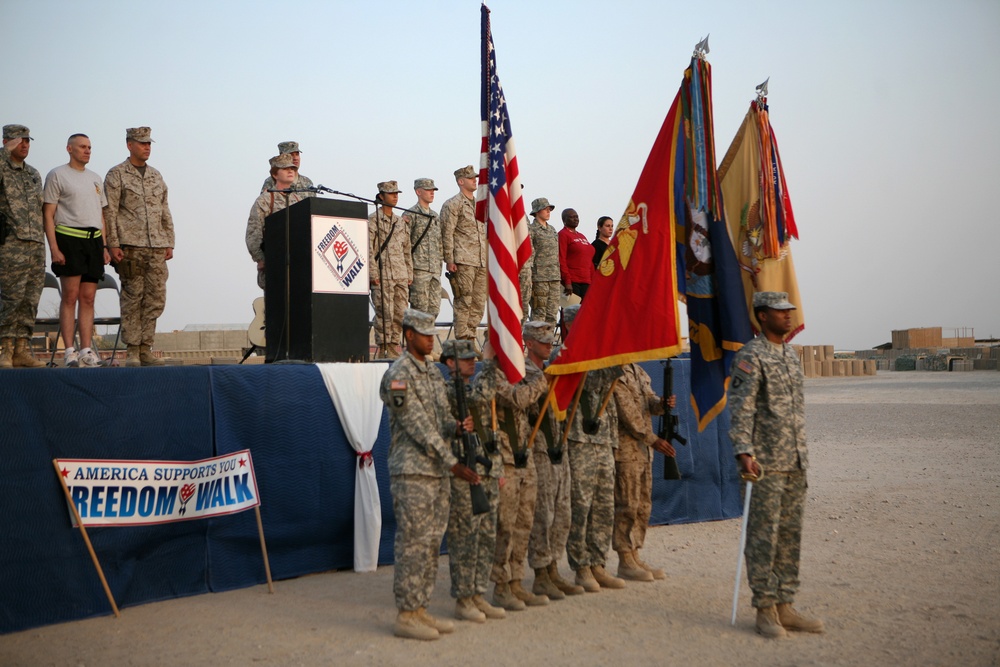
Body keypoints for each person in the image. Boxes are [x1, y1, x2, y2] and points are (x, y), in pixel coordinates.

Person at [379, 308, 481, 641]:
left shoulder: (432, 374)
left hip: (436, 472)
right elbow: (416, 424)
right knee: (413, 543)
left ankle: (420, 608)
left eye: (432, 334)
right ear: (409, 335)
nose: (430, 340)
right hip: (413, 472)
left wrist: (457, 426)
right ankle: (406, 614)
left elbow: (439, 418)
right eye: (424, 334)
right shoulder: (397, 375)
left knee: (431, 544)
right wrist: (452, 462)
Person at [728, 291, 824, 639]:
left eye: (789, 310)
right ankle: (765, 609)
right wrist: (744, 452)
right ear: (762, 316)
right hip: (764, 464)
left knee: (788, 536)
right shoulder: (751, 356)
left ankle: (785, 604)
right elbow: (741, 407)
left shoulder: (790, 355)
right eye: (779, 311)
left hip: (794, 461)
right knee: (762, 537)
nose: (787, 315)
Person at [559, 304, 625, 591]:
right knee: (581, 505)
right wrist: (617, 357)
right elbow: (590, 381)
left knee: (603, 505)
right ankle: (581, 566)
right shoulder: (564, 356)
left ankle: (598, 562)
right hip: (579, 441)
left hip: (602, 439)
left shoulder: (599, 355)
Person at [440, 339, 506, 623]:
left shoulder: (471, 388)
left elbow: (490, 428)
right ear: (449, 362)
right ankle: (464, 598)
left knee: (486, 536)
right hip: (463, 472)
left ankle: (478, 593)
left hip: (486, 469)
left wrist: (497, 469)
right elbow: (481, 396)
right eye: (466, 358)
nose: (472, 362)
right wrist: (490, 364)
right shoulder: (447, 391)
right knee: (464, 537)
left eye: (475, 358)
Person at [103, 127, 174, 367]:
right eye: (142, 143)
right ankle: (132, 349)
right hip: (131, 246)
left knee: (156, 298)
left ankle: (146, 347)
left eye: (149, 143)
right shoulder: (117, 174)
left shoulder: (156, 176)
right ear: (129, 145)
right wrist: (112, 244)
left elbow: (164, 209)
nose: (147, 147)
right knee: (133, 298)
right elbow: (110, 212)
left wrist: (169, 241)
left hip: (156, 246)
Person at [490, 333, 550, 612]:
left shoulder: (518, 374)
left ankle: (516, 581)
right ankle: (501, 586)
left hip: (524, 457)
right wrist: (543, 380)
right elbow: (518, 398)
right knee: (505, 525)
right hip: (506, 460)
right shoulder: (493, 376)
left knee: (524, 523)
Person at [525, 321, 583, 598]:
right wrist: (544, 380)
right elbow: (525, 404)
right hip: (539, 450)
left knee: (562, 513)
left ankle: (553, 569)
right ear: (529, 343)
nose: (549, 345)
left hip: (559, 447)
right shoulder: (524, 372)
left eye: (551, 340)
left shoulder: (553, 369)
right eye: (543, 341)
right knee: (543, 514)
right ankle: (540, 574)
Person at [42, 134, 109, 368]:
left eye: (89, 147)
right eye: (82, 147)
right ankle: (69, 351)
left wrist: (104, 246)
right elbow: (48, 214)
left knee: (88, 298)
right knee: (70, 296)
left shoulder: (96, 178)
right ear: (69, 149)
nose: (87, 150)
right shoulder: (57, 174)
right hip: (69, 239)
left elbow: (101, 215)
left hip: (94, 241)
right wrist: (54, 248)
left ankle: (86, 351)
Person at [612, 362, 676, 581]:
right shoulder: (616, 372)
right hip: (626, 451)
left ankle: (635, 554)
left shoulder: (638, 371)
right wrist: (653, 440)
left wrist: (662, 404)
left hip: (643, 451)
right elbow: (628, 414)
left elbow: (649, 401)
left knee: (642, 505)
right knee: (627, 505)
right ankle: (625, 559)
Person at [0, 125, 46, 369]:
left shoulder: (33, 174)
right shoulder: (2, 168)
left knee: (30, 298)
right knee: (12, 297)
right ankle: (5, 349)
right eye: (19, 141)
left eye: (28, 140)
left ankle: (21, 349)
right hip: (12, 244)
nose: (25, 145)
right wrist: (3, 153)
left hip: (36, 244)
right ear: (7, 142)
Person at [246, 154, 307, 291]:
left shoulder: (298, 200)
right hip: (274, 264)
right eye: (285, 169)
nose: (290, 171)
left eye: (292, 168)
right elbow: (253, 232)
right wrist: (260, 259)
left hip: (297, 268)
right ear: (275, 174)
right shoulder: (265, 200)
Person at [439, 165, 486, 341]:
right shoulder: (452, 204)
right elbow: (447, 233)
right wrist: (449, 259)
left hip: (481, 260)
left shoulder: (481, 205)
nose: (475, 180)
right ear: (460, 181)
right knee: (463, 302)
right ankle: (461, 342)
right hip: (463, 260)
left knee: (478, 303)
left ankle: (471, 339)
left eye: (475, 178)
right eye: (470, 178)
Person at [369, 181, 412, 359]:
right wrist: (373, 273)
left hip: (400, 273)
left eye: (397, 194)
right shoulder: (373, 219)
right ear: (381, 196)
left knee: (401, 313)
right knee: (384, 312)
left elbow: (406, 249)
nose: (395, 197)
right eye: (391, 194)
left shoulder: (400, 222)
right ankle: (384, 347)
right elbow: (368, 248)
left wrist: (409, 273)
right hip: (383, 273)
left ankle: (394, 345)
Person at [403, 178, 443, 320]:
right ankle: (415, 335)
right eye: (428, 190)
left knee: (434, 310)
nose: (432, 193)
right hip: (418, 270)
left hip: (434, 271)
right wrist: (408, 271)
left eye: (433, 190)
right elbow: (405, 244)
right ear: (418, 192)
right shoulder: (410, 214)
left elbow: (439, 243)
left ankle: (426, 335)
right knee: (419, 310)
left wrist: (439, 266)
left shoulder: (435, 216)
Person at [527, 198, 561, 324]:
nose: (548, 211)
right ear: (537, 211)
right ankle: (536, 337)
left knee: (552, 314)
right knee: (539, 313)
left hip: (554, 277)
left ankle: (549, 337)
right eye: (545, 209)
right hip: (539, 278)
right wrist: (530, 277)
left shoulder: (552, 229)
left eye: (549, 209)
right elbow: (529, 254)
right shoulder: (532, 229)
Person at [557, 208, 594, 300]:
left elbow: (589, 259)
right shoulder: (563, 234)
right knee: (573, 308)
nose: (575, 219)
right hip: (573, 281)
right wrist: (567, 281)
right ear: (564, 220)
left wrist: (594, 281)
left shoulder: (581, 236)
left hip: (587, 281)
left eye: (576, 217)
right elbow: (561, 258)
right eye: (571, 217)